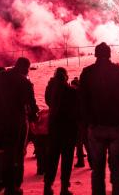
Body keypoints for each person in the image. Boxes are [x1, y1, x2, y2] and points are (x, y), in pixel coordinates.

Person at [79, 42, 119, 195]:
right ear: (109, 54)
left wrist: (88, 123)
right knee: (117, 168)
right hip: (117, 127)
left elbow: (82, 100)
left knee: (97, 169)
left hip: (96, 127)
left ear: (96, 54)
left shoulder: (87, 73)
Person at [0, 57, 39, 195]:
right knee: (16, 155)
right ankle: (13, 186)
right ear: (24, 67)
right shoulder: (23, 81)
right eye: (27, 69)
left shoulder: (0, 77)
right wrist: (33, 117)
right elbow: (30, 104)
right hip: (16, 123)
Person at [43, 67, 79, 195]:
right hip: (68, 129)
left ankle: (47, 185)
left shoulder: (50, 90)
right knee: (67, 159)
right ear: (65, 77)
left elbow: (48, 102)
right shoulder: (70, 91)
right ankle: (64, 188)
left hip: (53, 128)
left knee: (52, 158)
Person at [29, 107, 49, 175]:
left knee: (40, 153)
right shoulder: (48, 113)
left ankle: (40, 169)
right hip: (47, 134)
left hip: (39, 134)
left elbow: (33, 127)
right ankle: (46, 169)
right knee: (46, 152)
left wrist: (35, 131)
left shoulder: (39, 114)